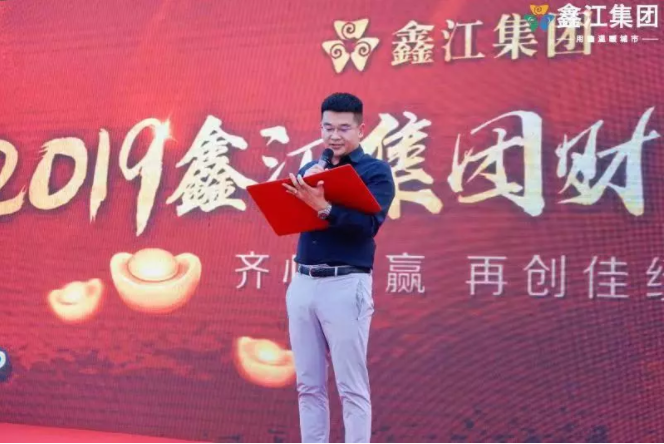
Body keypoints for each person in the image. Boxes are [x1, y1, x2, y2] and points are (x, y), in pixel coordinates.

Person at [282, 92, 396, 443]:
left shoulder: (375, 172)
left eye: (343, 128)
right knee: (308, 385)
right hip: (303, 282)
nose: (334, 136)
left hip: (346, 285)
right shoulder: (310, 169)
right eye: (328, 128)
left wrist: (325, 207)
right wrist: (302, 191)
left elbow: (368, 226)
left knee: (351, 387)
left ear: (361, 130)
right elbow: (291, 216)